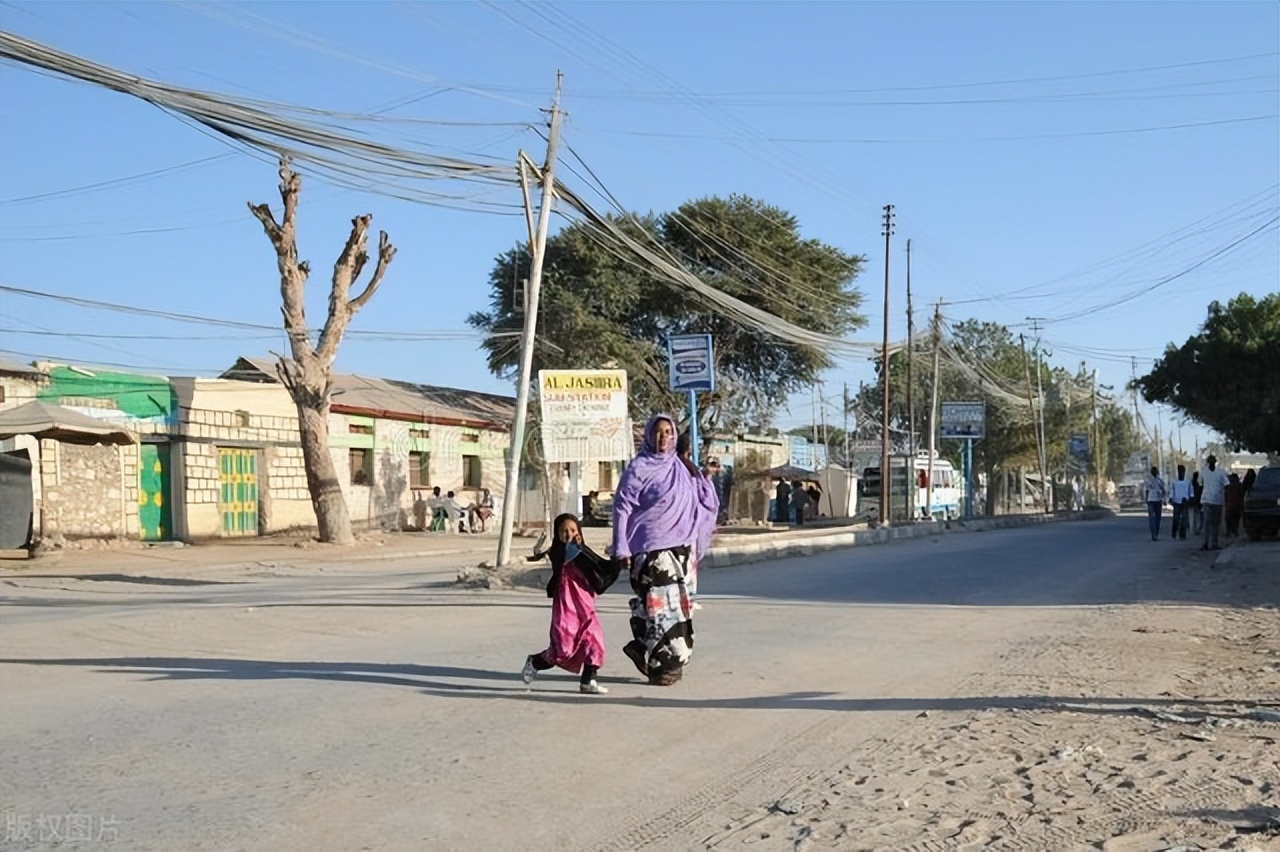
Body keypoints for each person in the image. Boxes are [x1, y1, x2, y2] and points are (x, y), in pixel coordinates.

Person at [612, 414, 719, 687]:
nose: (663, 437)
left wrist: (706, 476)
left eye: (668, 432)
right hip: (652, 549)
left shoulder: (682, 467)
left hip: (684, 548)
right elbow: (622, 507)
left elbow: (702, 499)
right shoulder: (638, 468)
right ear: (649, 435)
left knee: (680, 607)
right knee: (662, 609)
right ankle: (664, 666)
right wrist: (621, 547)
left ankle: (643, 647)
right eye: (658, 432)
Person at [521, 514, 609, 695]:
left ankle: (588, 680)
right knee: (563, 649)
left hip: (585, 605)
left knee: (594, 642)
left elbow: (599, 569)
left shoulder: (583, 552)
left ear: (579, 532)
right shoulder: (560, 552)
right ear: (557, 533)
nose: (568, 534)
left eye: (572, 530)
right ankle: (535, 662)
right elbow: (563, 559)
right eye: (563, 531)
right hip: (566, 605)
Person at [1200, 455, 1229, 551]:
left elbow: (1227, 485)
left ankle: (1214, 543)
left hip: (1217, 501)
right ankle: (1206, 543)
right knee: (1207, 523)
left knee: (1215, 523)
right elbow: (1200, 484)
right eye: (1210, 461)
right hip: (1207, 499)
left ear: (1215, 462)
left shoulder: (1220, 472)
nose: (1211, 463)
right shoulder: (1204, 472)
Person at [1168, 464, 1192, 541]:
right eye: (1180, 471)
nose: (1181, 473)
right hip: (1176, 502)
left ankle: (1182, 534)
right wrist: (1171, 498)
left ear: (1184, 472)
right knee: (1176, 519)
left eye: (1182, 471)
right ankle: (1174, 532)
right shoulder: (1174, 481)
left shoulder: (1187, 481)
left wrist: (1190, 498)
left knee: (1184, 519)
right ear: (1178, 472)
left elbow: (1191, 491)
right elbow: (1172, 490)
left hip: (1185, 502)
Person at [1143, 465, 1166, 541]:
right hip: (1151, 501)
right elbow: (1146, 490)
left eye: (1155, 471)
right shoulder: (1148, 480)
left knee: (1158, 518)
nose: (1155, 472)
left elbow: (1163, 490)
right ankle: (1153, 534)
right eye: (1153, 471)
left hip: (1158, 500)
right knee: (1151, 519)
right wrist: (1146, 499)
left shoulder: (1160, 480)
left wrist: (1164, 499)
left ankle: (1156, 533)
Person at [1224, 473, 1244, 537]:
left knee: (1229, 519)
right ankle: (1234, 530)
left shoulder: (1228, 487)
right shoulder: (1240, 486)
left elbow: (1226, 497)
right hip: (1236, 505)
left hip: (1231, 505)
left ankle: (1230, 531)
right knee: (1235, 519)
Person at [1189, 471, 1204, 535]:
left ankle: (1193, 529)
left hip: (1193, 503)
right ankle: (1196, 529)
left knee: (1192, 517)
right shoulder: (1198, 486)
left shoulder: (1191, 484)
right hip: (1197, 503)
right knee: (1197, 517)